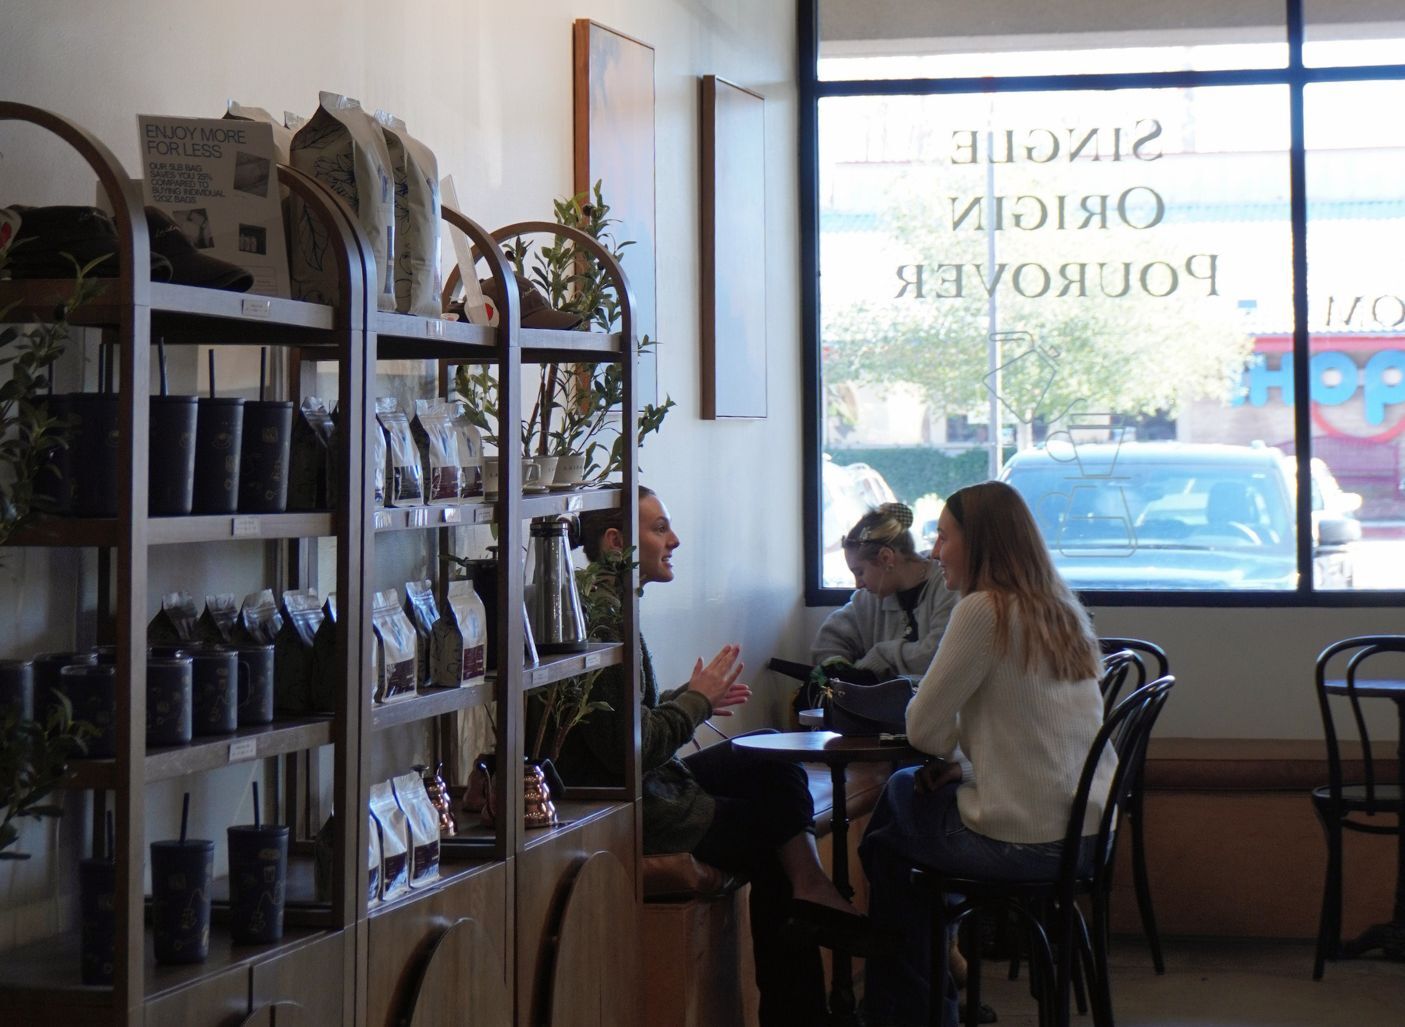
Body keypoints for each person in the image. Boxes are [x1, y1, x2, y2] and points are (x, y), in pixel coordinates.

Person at [556, 486, 860, 1026]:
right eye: (659, 529)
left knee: (767, 752)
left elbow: (620, 727)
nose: (674, 540)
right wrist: (696, 702)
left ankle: (809, 886)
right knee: (772, 841)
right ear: (615, 541)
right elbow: (628, 753)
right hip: (631, 807)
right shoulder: (604, 619)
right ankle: (806, 975)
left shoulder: (606, 604)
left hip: (651, 783)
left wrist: (690, 697)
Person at [858, 481, 1116, 1027]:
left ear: (980, 543)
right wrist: (967, 766)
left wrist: (948, 757)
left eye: (944, 536)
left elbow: (923, 730)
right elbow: (1046, 740)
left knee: (898, 810)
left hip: (1024, 844)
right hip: (1086, 839)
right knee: (899, 837)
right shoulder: (1061, 609)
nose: (932, 551)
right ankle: (926, 986)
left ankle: (915, 1004)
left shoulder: (982, 610)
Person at [802, 502, 958, 713]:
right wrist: (840, 671)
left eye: (860, 572)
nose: (858, 584)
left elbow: (937, 656)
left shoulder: (947, 586)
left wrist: (881, 656)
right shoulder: (867, 600)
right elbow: (828, 642)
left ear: (886, 558)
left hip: (936, 715)